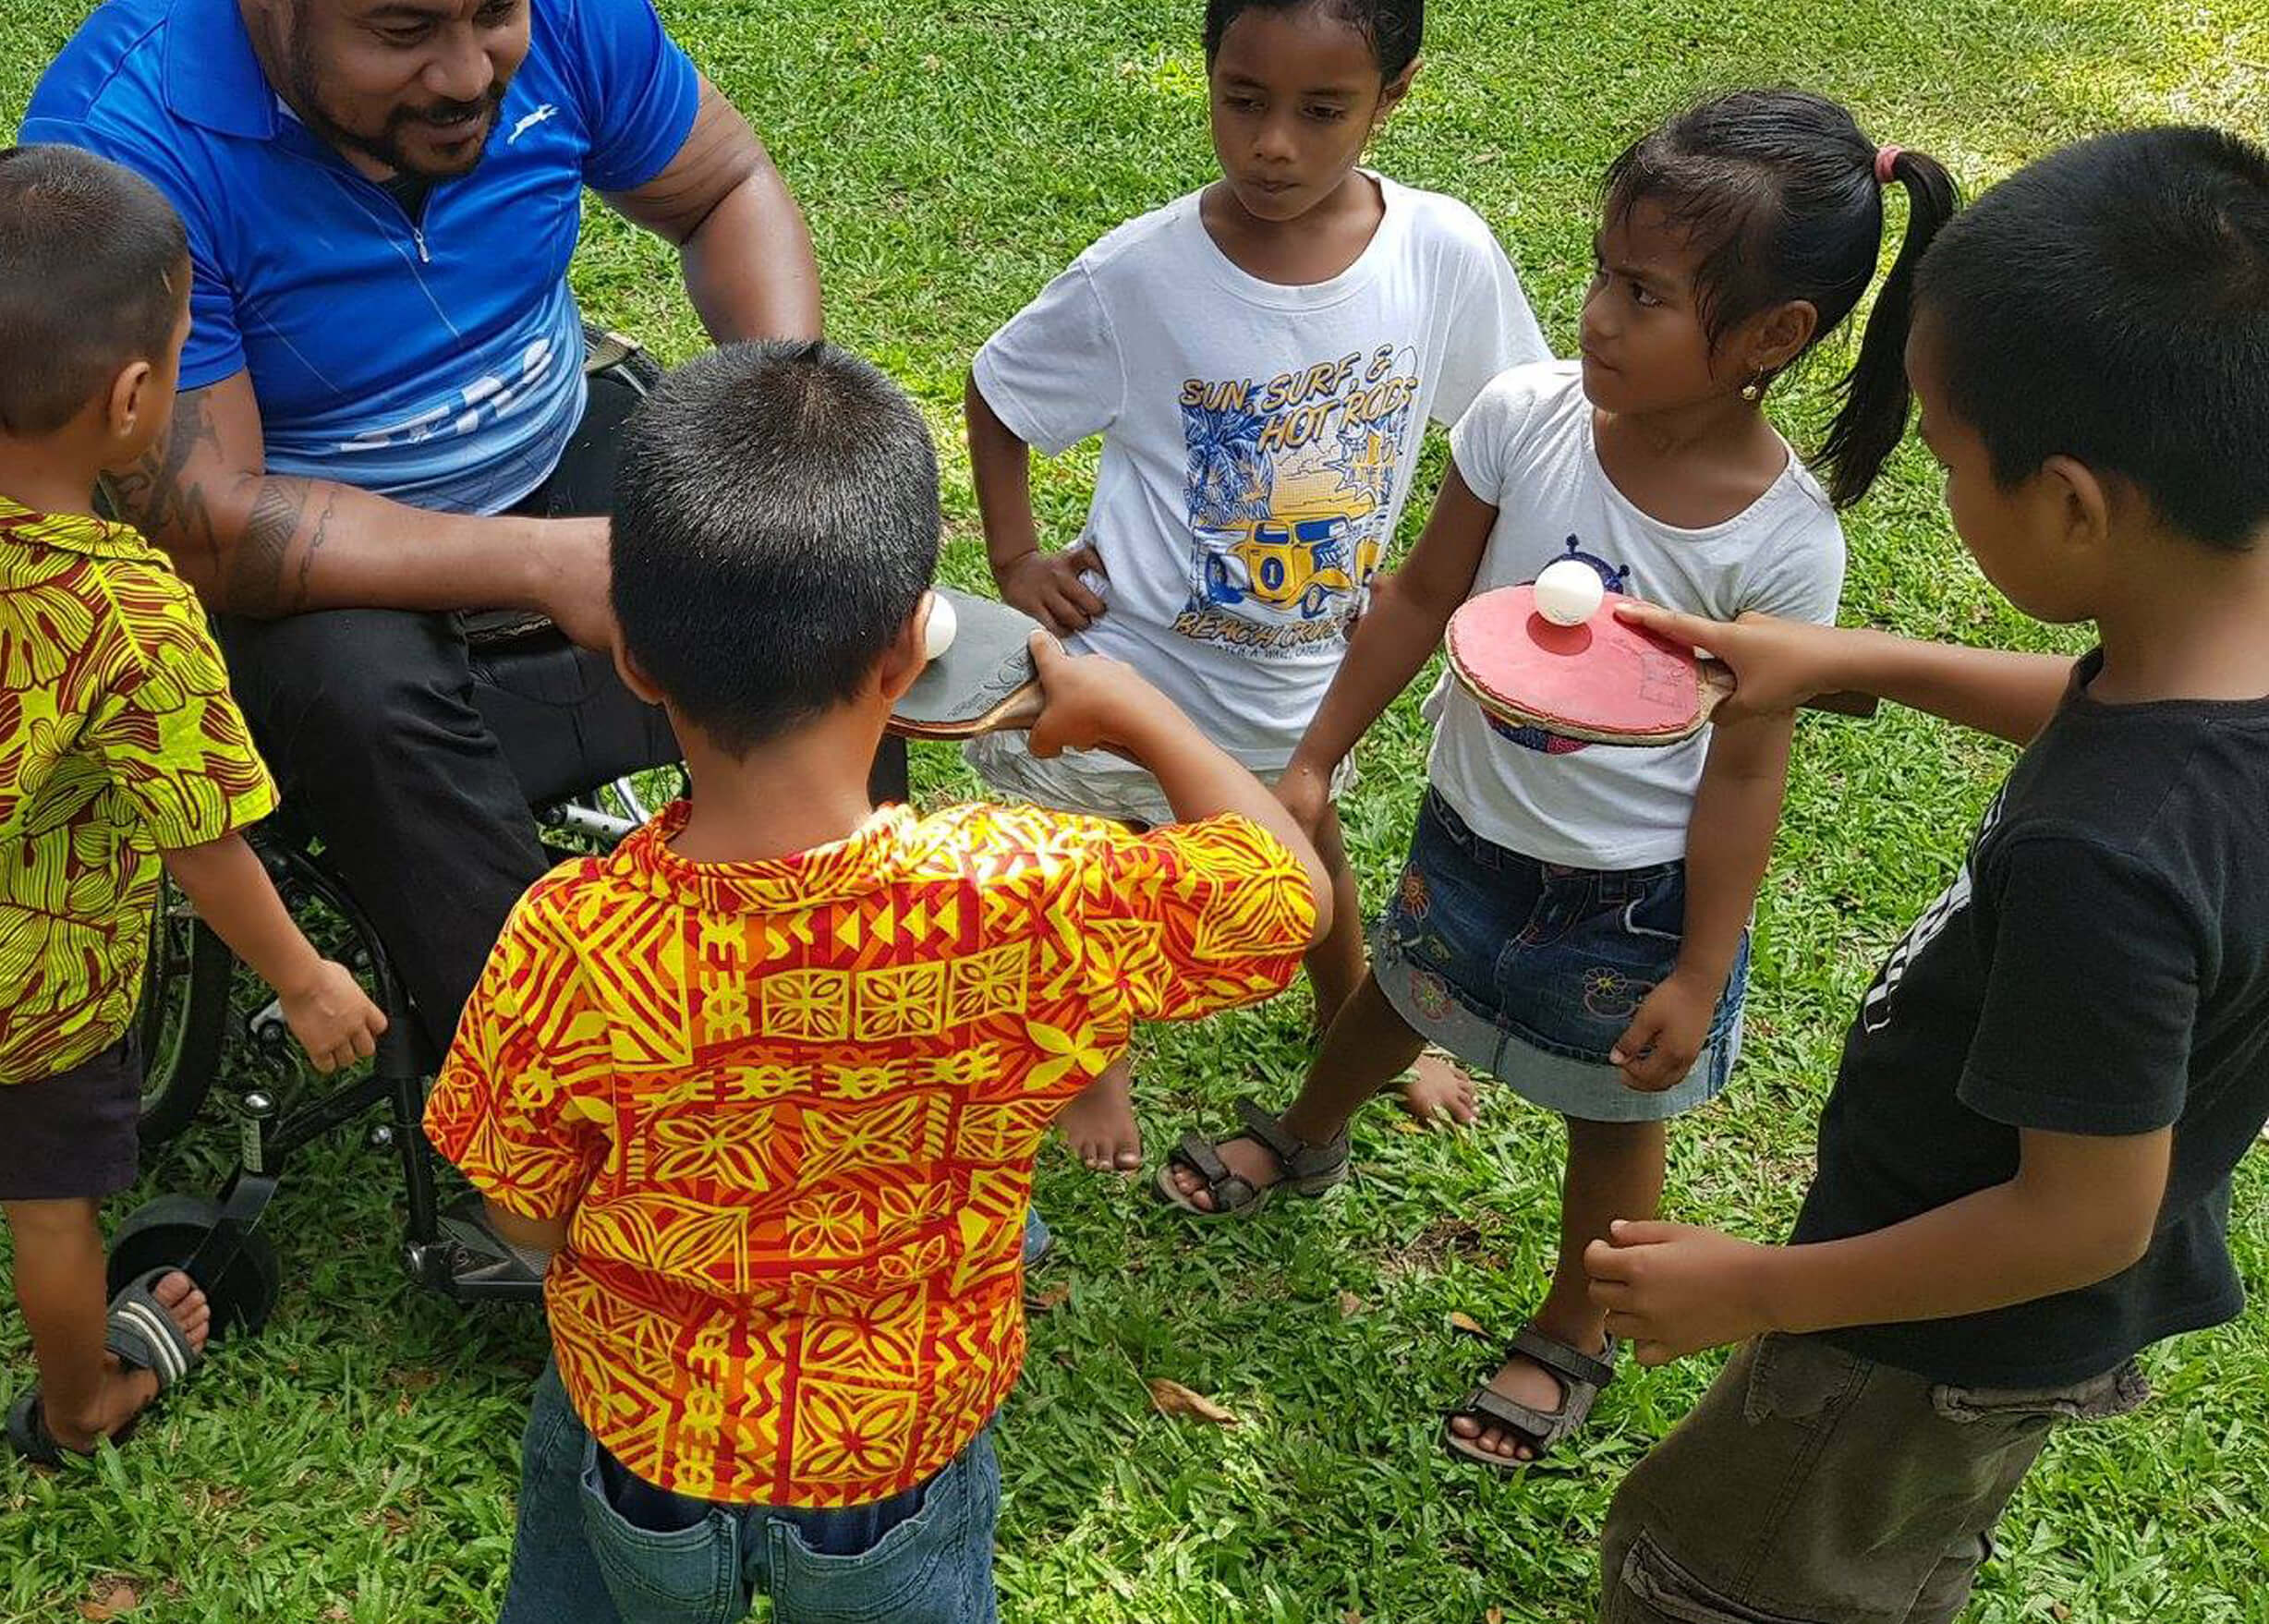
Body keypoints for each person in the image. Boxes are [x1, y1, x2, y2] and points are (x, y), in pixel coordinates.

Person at [425, 339, 1327, 1621]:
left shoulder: (573, 934)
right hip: (896, 1449)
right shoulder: (1028, 892)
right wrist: (1134, 713)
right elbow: (1286, 890)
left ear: (632, 658)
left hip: (644, 1428)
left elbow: (521, 1214)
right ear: (914, 650)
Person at [1159, 89, 1952, 1470]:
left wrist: (1699, 969)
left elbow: (1744, 779)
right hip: (1470, 825)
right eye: (1600, 270)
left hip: (1629, 895)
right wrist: (1313, 757)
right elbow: (1416, 598)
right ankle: (1309, 1129)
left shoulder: (1782, 544)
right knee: (1397, 989)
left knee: (1611, 1115)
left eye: (1643, 293)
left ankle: (1574, 1323)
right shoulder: (1525, 416)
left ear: (1772, 338)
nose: (1594, 313)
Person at [1586, 126, 2269, 1624]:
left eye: (1956, 462)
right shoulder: (2221, 648)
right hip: (2002, 1338)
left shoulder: (2111, 862)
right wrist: (1868, 660)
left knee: (1727, 1575)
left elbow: (2083, 1212)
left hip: (1922, 1342)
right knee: (1890, 1558)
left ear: (2078, 505)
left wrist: (1753, 1284)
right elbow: (2121, 710)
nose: (1945, 488)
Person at [19, 0, 827, 1063]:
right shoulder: (122, 149)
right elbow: (209, 524)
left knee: (814, 562)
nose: (464, 74)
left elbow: (724, 187)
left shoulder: (571, 21)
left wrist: (783, 421)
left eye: (495, 15)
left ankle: (840, 1038)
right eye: (404, 33)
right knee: (368, 709)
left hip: (553, 433)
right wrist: (548, 564)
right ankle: (572, 1128)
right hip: (307, 542)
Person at [0, 147, 386, 1464]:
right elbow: (206, 846)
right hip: (26, 1001)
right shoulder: (132, 610)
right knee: (54, 1214)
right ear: (138, 394)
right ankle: (80, 1397)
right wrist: (308, 978)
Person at [960, 0, 1547, 1170]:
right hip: (1123, 669)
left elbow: (1512, 428)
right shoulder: (1139, 275)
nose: (1274, 143)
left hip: (1300, 674)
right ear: (1210, 79)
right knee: (1088, 884)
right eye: (1244, 101)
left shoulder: (1441, 253)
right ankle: (1092, 1069)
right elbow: (999, 390)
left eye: (1322, 110)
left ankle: (1356, 1027)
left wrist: (1440, 578)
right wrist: (1017, 554)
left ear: (1396, 95)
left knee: (1308, 840)